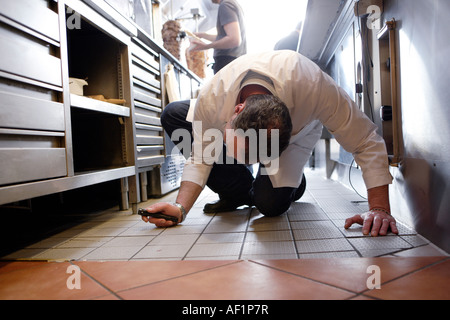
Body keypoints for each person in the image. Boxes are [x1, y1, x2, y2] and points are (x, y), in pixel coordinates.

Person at [141, 50, 399, 237]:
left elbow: (365, 140)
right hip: (225, 112)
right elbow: (201, 155)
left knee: (270, 205)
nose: (246, 163)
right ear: (236, 110)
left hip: (298, 132)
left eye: (256, 159)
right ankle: (238, 190)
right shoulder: (213, 97)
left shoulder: (314, 86)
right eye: (245, 156)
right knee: (174, 112)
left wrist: (379, 208)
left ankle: (290, 183)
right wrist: (180, 208)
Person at [191, 0, 246, 74]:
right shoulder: (233, 4)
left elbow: (234, 40)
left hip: (227, 63)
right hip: (234, 63)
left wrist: (207, 46)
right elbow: (224, 37)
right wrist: (203, 35)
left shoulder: (226, 5)